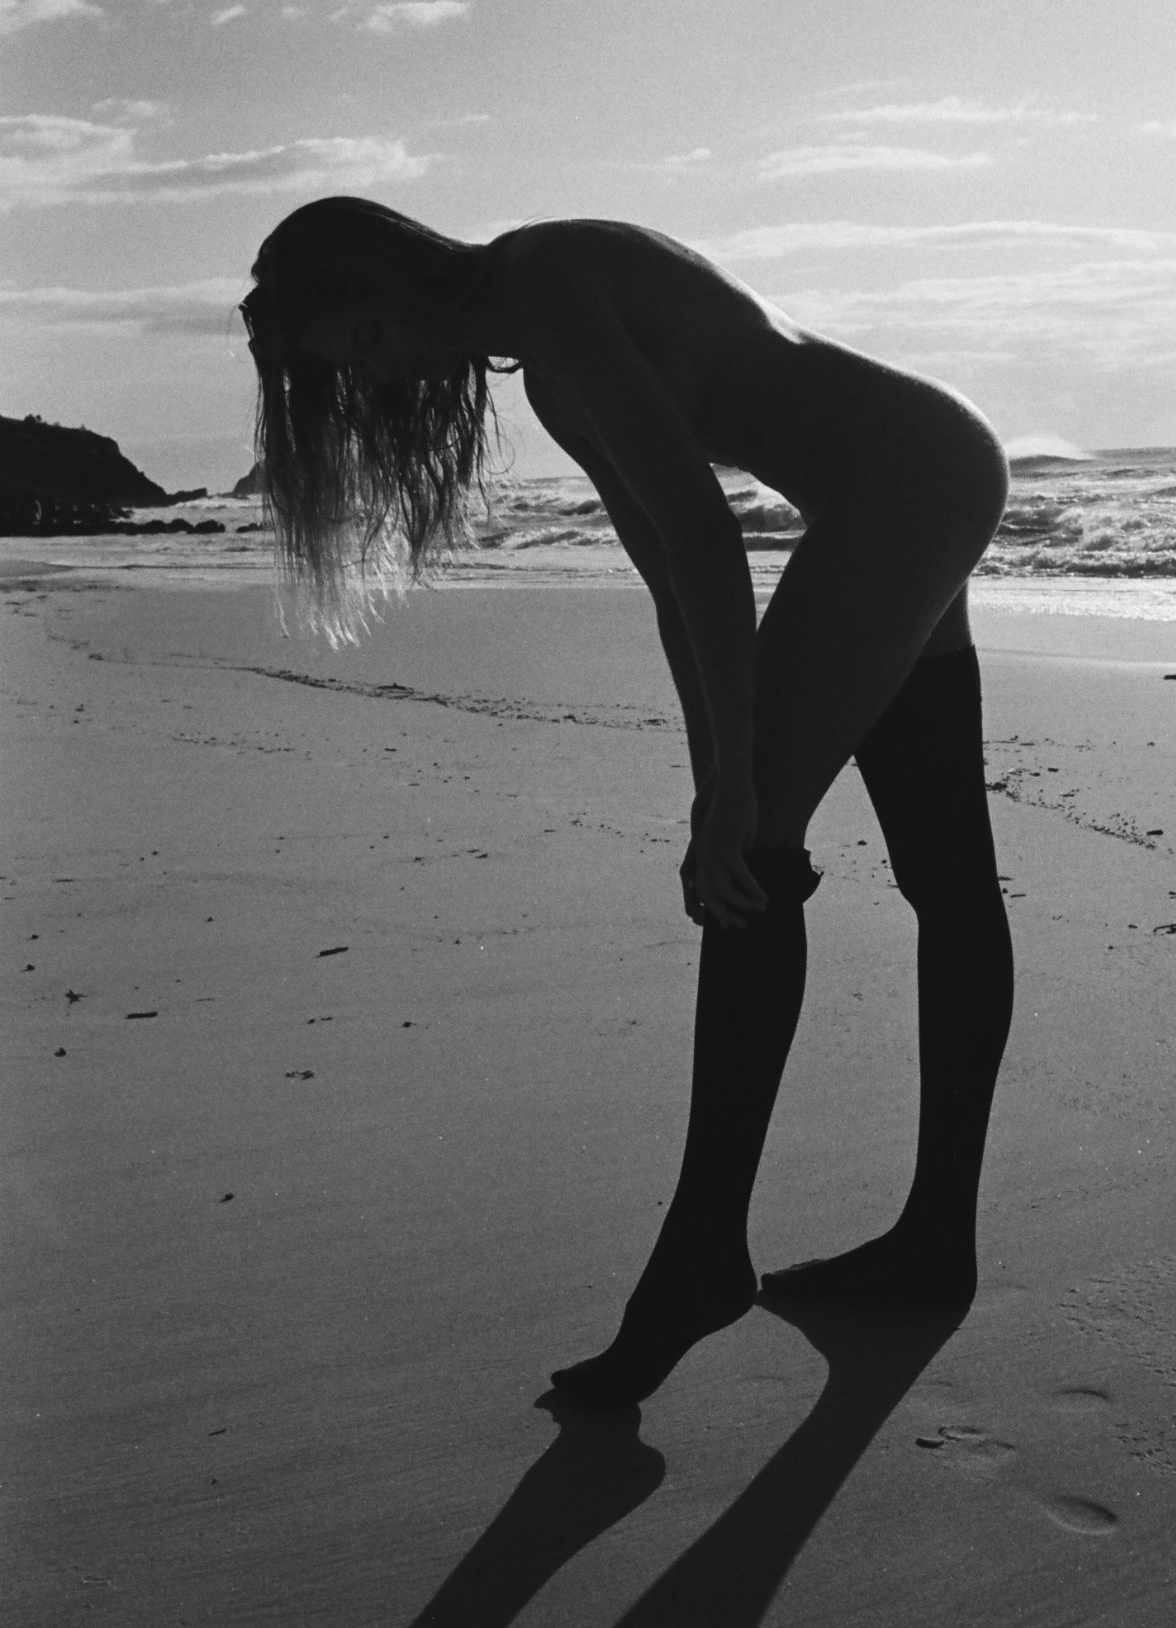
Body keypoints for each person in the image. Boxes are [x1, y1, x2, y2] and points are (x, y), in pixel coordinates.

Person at [242, 196, 1014, 1406]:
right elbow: (667, 569)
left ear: (386, 274)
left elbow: (706, 538)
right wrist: (715, 778)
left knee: (756, 865)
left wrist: (738, 789)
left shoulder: (545, 284)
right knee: (934, 871)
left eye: (369, 340)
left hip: (906, 483)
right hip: (918, 471)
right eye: (354, 368)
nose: (381, 374)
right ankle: (931, 1247)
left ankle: (701, 1257)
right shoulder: (545, 361)